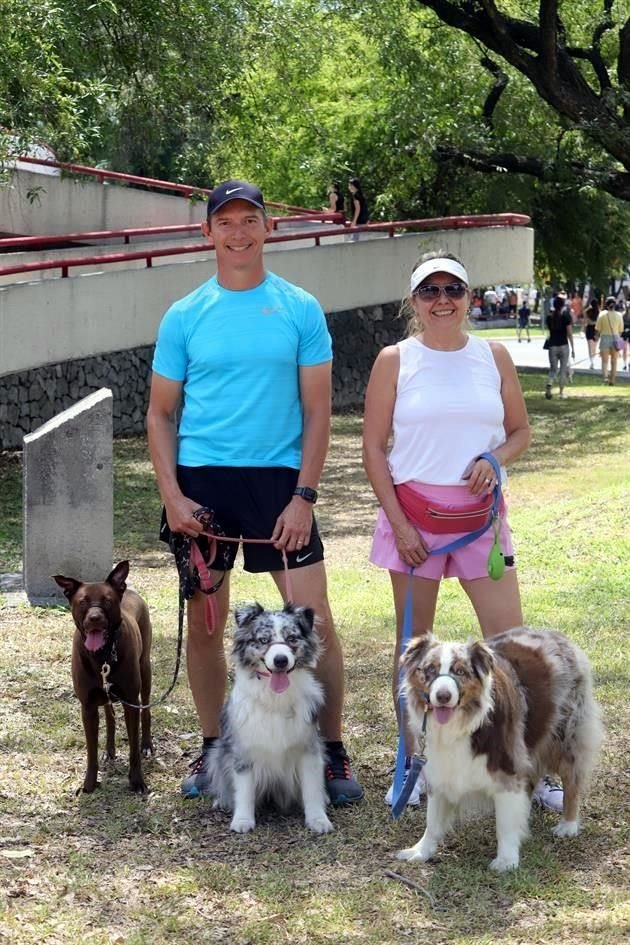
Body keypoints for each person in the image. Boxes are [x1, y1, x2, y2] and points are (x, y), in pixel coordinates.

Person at [146, 178, 363, 806]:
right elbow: (161, 413)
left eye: (250, 220)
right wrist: (172, 498)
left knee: (312, 622)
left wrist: (305, 496)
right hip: (204, 483)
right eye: (226, 222)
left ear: (270, 228)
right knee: (209, 628)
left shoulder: (299, 308)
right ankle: (217, 747)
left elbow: (318, 411)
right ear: (207, 231)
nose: (238, 232)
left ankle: (328, 749)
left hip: (279, 482)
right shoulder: (185, 314)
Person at [362, 250, 563, 814]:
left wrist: (496, 459)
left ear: (470, 298)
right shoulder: (395, 359)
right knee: (414, 656)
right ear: (414, 301)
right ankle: (415, 765)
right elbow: (373, 449)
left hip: (480, 523)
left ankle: (527, 767)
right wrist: (399, 525)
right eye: (430, 291)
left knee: (514, 654)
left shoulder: (492, 356)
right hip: (413, 522)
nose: (442, 300)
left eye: (454, 289)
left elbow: (520, 430)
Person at [544, 296, 575, 400]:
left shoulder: (549, 317)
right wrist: (573, 347)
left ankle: (549, 383)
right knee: (562, 370)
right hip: (563, 345)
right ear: (562, 305)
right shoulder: (565, 316)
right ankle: (561, 393)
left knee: (553, 369)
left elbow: (550, 331)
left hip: (552, 346)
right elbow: (569, 333)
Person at [596, 296, 624, 386]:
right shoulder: (619, 315)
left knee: (604, 361)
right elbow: (621, 330)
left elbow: (598, 328)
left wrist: (596, 336)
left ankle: (605, 379)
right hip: (616, 338)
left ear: (606, 305)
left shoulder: (602, 314)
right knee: (614, 361)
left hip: (604, 338)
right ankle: (612, 380)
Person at [583, 298, 600, 369]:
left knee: (589, 347)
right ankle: (593, 361)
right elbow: (599, 322)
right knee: (594, 347)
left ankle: (591, 362)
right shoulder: (599, 312)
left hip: (589, 329)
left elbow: (587, 320)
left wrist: (588, 307)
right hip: (596, 330)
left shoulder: (587, 312)